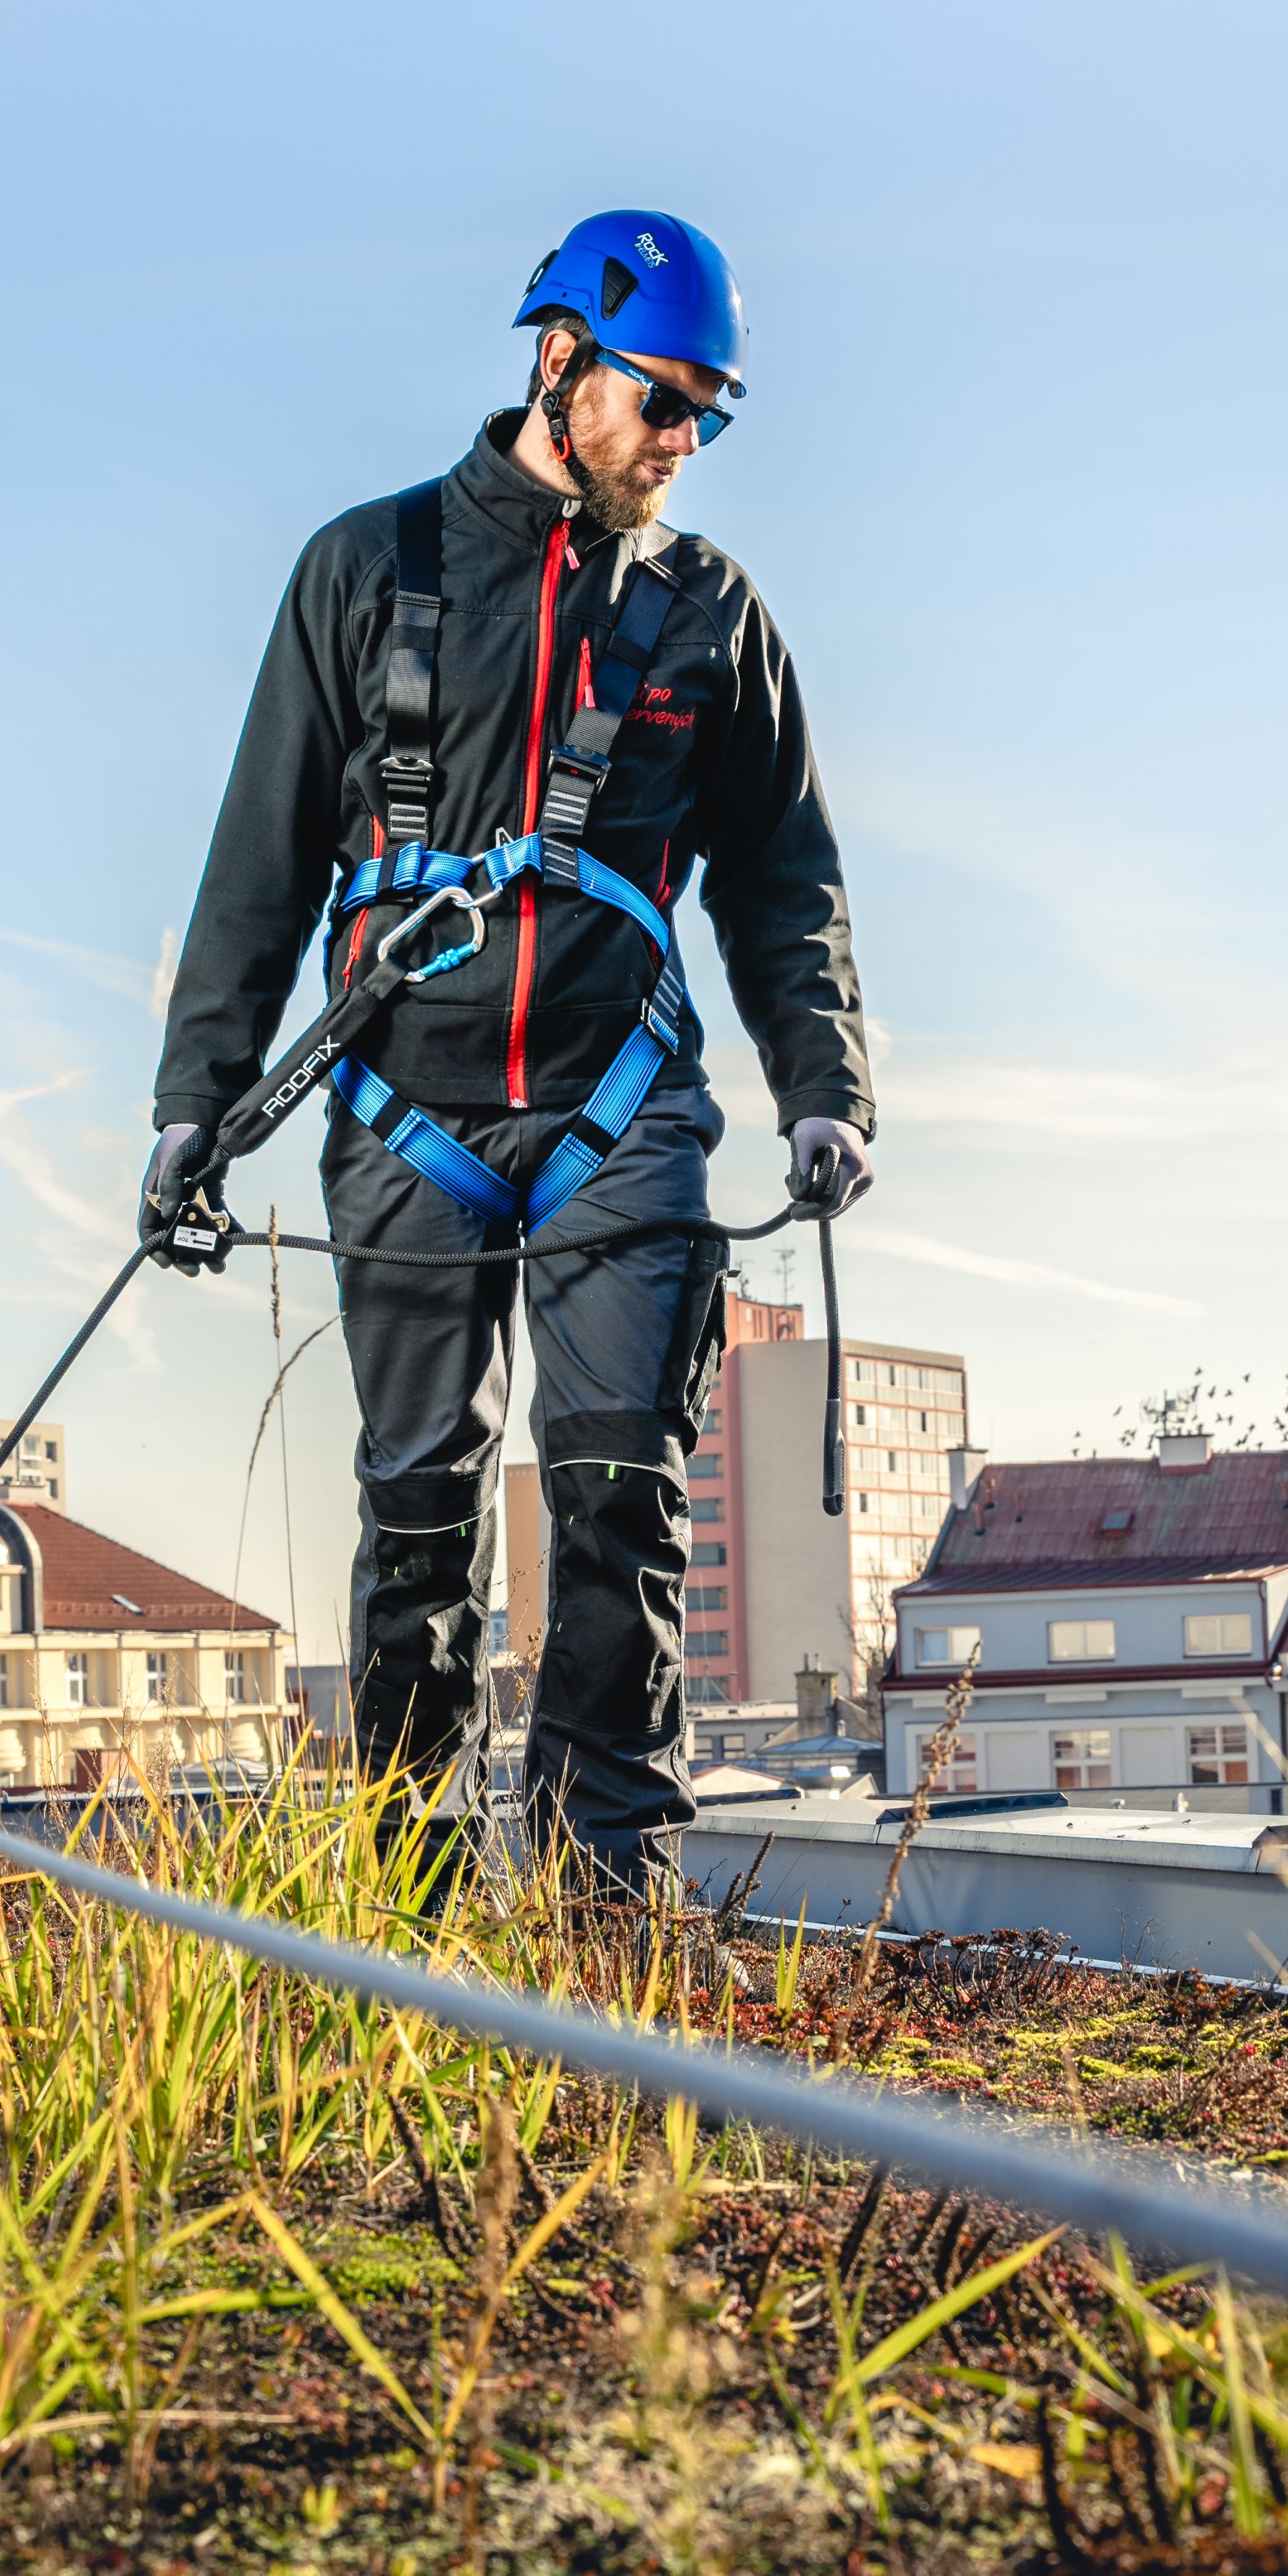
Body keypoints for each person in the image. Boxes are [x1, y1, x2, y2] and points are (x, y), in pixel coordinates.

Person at [142, 209, 873, 1895]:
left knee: (621, 1499)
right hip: (408, 1114)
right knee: (417, 1516)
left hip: (624, 1109)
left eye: (709, 416)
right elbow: (255, 870)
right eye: (665, 402)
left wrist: (825, 1091)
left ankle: (610, 1896)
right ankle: (408, 1898)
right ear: (561, 359)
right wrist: (196, 1110)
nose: (685, 443)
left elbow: (785, 882)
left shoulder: (710, 614)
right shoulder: (363, 572)